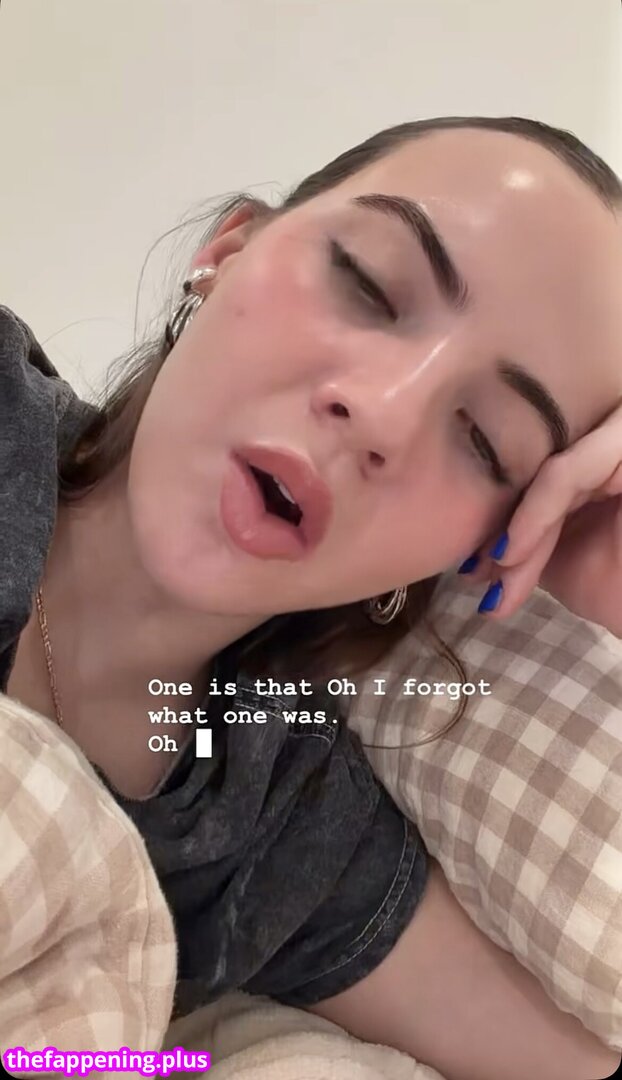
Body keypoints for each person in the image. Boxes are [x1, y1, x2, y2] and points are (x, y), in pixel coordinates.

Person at [1, 115, 621, 1080]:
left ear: (485, 541)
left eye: (485, 440)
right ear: (227, 255)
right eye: (368, 285)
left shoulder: (281, 817)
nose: (383, 413)